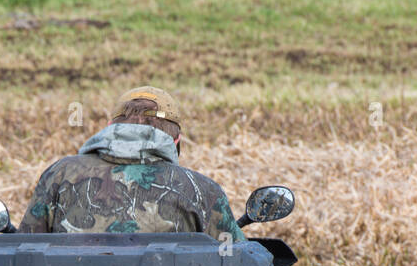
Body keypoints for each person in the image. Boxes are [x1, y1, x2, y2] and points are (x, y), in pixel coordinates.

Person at [16, 86, 245, 243]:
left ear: (108, 127)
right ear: (176, 142)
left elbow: (23, 251)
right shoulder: (202, 190)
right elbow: (240, 264)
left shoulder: (60, 174)